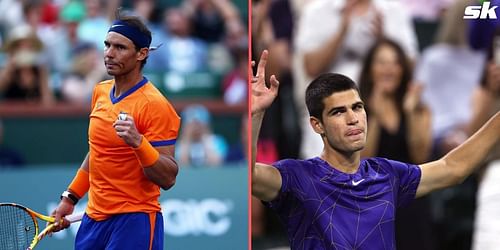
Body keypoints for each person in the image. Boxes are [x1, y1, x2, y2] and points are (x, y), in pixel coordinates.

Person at [251, 50, 500, 249]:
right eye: (339, 111)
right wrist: (255, 115)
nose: (353, 119)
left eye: (357, 107)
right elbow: (250, 177)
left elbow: (452, 167)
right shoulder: (298, 176)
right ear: (317, 125)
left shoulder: (386, 173)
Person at [50, 11, 181, 250]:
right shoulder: (100, 91)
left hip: (135, 221)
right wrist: (70, 197)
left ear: (142, 54)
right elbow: (98, 152)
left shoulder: (156, 105)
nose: (109, 53)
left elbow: (169, 177)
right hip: (93, 220)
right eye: (107, 45)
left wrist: (138, 143)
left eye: (120, 47)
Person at [358, 39, 435, 250]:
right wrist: (372, 112)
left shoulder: (420, 108)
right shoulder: (355, 109)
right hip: (373, 198)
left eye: (395, 63)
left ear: (403, 69)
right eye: (381, 63)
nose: (388, 70)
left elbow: (420, 156)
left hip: (411, 198)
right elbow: (363, 159)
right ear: (370, 69)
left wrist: (409, 113)